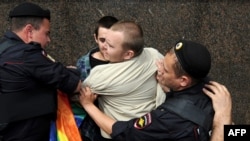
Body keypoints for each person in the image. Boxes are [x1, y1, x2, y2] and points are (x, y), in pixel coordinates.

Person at [80, 40, 215, 141]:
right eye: (162, 62)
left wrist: (88, 105)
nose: (159, 68)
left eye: (165, 70)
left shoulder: (165, 119)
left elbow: (123, 132)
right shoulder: (214, 90)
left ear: (183, 81)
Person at [0, 2, 81, 141]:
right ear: (29, 30)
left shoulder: (4, 48)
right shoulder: (27, 54)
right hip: (24, 133)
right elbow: (71, 83)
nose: (48, 40)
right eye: (46, 33)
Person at [82, 21, 166, 139]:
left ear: (128, 54)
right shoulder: (155, 55)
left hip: (118, 134)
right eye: (104, 40)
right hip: (151, 130)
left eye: (110, 46)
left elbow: (79, 93)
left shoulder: (101, 76)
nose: (103, 47)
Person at [75, 16, 119, 141]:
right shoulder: (84, 64)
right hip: (93, 130)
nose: (106, 46)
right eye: (102, 40)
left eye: (111, 41)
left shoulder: (126, 61)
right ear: (95, 38)